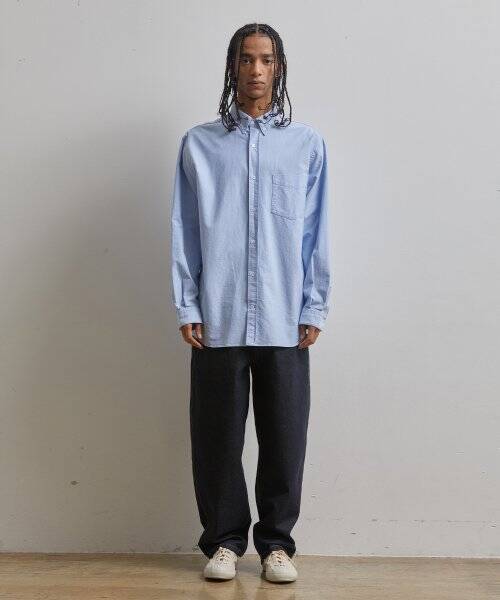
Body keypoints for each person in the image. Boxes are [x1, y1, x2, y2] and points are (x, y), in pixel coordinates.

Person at [170, 22, 332, 583]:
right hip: (219, 313)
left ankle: (276, 545)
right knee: (216, 435)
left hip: (285, 315)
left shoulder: (306, 145)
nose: (256, 70)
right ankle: (223, 542)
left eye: (265, 59)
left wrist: (314, 305)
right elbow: (185, 229)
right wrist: (188, 303)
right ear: (232, 66)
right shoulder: (199, 144)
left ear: (278, 67)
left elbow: (315, 230)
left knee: (285, 435)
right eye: (246, 59)